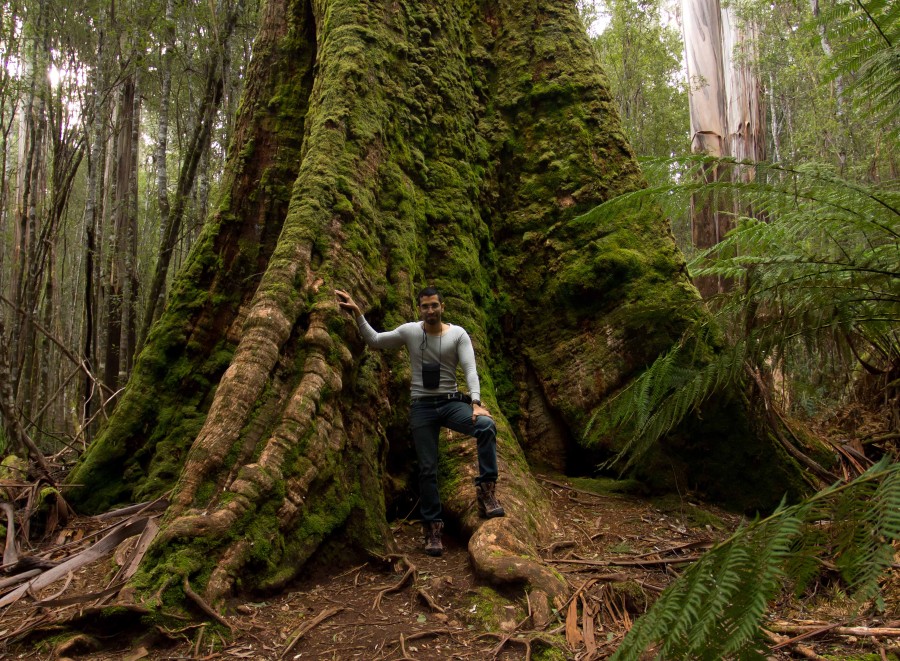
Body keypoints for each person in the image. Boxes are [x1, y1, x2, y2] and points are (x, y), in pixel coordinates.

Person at [335, 286, 505, 556]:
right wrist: (358, 313)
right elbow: (376, 340)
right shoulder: (411, 331)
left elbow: (470, 369)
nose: (430, 311)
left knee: (486, 426)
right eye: (425, 306)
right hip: (422, 407)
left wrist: (475, 402)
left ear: (442, 306)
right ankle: (432, 527)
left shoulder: (458, 334)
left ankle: (486, 491)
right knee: (427, 468)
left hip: (451, 403)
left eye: (434, 305)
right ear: (419, 308)